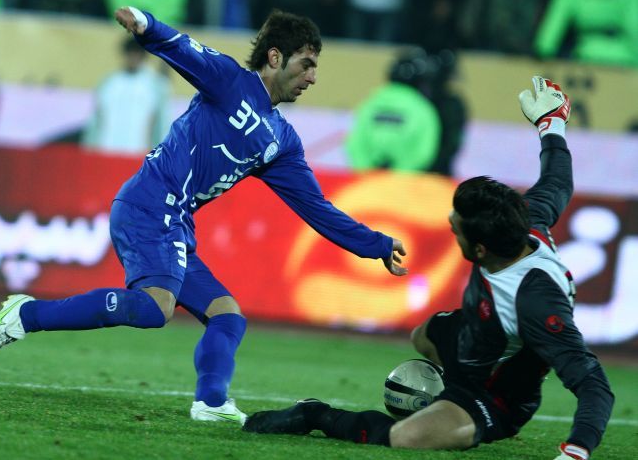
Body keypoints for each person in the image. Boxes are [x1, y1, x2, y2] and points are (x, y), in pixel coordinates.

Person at [0, 6, 408, 424]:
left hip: (175, 221)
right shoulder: (230, 82)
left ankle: (211, 402)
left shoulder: (282, 140)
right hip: (149, 204)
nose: (312, 78)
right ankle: (26, 316)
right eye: (307, 64)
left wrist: (375, 244)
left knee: (227, 316)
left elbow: (316, 208)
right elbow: (184, 49)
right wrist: (146, 25)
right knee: (154, 309)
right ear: (275, 57)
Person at [244, 77, 614, 460]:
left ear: (480, 249)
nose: (451, 226)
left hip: (492, 392)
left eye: (457, 229)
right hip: (470, 334)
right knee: (424, 335)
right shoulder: (525, 221)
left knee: (405, 438)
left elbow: (594, 384)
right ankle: (438, 400)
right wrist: (552, 122)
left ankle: (314, 413)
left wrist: (577, 450)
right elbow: (557, 179)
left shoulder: (536, 304)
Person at [345, 48, 441, 172]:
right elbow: (424, 151)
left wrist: (366, 170)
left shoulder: (370, 104)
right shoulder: (424, 110)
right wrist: (401, 172)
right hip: (405, 181)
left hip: (368, 179)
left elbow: (355, 143)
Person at [81, 36, 172, 154]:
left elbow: (161, 124)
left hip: (138, 154)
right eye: (130, 53)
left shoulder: (155, 86)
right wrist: (89, 149)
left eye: (137, 54)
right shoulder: (109, 83)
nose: (133, 57)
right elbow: (96, 120)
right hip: (106, 151)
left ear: (143, 56)